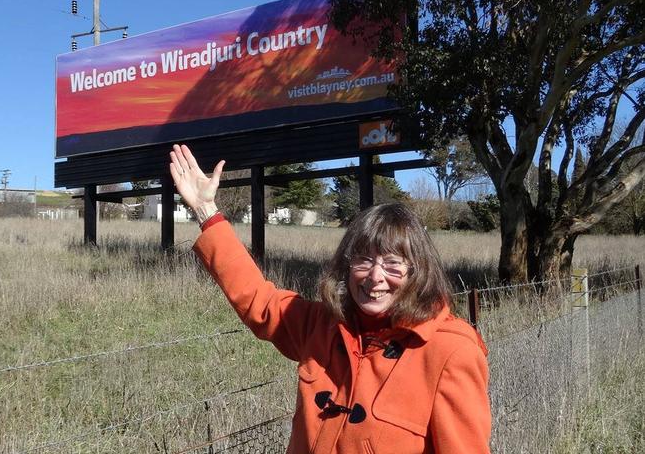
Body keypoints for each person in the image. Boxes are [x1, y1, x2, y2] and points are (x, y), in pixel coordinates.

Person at [169, 144, 491, 453]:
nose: (375, 276)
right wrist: (204, 209)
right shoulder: (321, 326)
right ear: (347, 265)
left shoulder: (450, 352)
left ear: (416, 271)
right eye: (364, 259)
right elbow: (258, 299)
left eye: (393, 263)